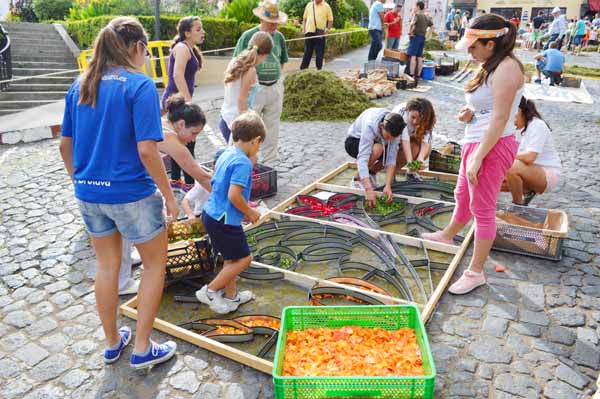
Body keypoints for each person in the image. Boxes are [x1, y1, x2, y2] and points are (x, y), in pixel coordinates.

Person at [59, 17, 178, 369]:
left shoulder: (80, 85)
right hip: (132, 194)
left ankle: (113, 343)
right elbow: (147, 151)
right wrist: (169, 195)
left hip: (89, 193)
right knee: (156, 264)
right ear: (138, 47)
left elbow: (65, 147)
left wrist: (80, 181)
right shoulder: (139, 86)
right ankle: (142, 347)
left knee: (107, 266)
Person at [422, 14, 523, 295]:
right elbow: (490, 108)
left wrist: (479, 157)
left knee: (483, 209)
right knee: (462, 194)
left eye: (473, 46)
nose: (470, 52)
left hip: (491, 146)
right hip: (476, 140)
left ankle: (476, 271)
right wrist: (472, 114)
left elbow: (502, 118)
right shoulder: (490, 65)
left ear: (491, 43)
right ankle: (449, 235)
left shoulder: (507, 68)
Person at [118, 94, 213, 296]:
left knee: (127, 220)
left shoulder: (162, 122)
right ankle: (122, 282)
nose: (194, 139)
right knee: (129, 219)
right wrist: (228, 196)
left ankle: (129, 257)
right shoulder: (172, 140)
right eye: (194, 133)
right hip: (122, 175)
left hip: (126, 170)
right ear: (180, 124)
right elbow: (200, 175)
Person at [195, 111, 266, 314]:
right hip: (224, 220)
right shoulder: (243, 162)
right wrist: (250, 212)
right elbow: (234, 195)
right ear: (256, 140)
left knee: (231, 258)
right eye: (259, 144)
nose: (258, 149)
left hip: (212, 214)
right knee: (244, 259)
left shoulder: (227, 152)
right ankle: (210, 291)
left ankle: (231, 296)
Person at [234, 1, 288, 165]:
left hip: (274, 86)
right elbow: (238, 61)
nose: (274, 26)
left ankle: (270, 162)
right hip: (255, 88)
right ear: (262, 20)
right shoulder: (248, 36)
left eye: (276, 23)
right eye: (271, 23)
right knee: (250, 127)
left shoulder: (279, 37)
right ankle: (244, 160)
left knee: (273, 126)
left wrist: (278, 79)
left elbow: (283, 60)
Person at [162, 16, 205, 190]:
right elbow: (177, 76)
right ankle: (189, 184)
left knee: (181, 140)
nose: (202, 32)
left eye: (202, 29)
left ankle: (177, 181)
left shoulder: (188, 48)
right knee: (187, 141)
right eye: (198, 29)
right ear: (187, 33)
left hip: (179, 99)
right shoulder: (182, 48)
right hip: (176, 100)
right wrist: (188, 102)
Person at [501, 97, 561, 205]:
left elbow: (529, 157)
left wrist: (506, 154)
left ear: (518, 111)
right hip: (527, 169)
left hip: (547, 173)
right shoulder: (515, 128)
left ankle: (518, 205)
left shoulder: (537, 125)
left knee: (510, 165)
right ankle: (527, 191)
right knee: (493, 181)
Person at [344, 108, 406, 206]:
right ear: (381, 126)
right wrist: (368, 190)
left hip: (376, 142)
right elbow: (362, 159)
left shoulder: (396, 128)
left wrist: (388, 186)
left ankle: (370, 174)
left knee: (394, 151)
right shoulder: (370, 125)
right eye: (389, 137)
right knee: (378, 148)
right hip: (354, 141)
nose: (391, 140)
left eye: (393, 138)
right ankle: (358, 179)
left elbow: (391, 158)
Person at [220, 31, 273, 143]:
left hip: (226, 117)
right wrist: (248, 125)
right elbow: (242, 100)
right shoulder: (251, 70)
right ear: (265, 55)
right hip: (236, 124)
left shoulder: (235, 61)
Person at [392, 98, 436, 168]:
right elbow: (405, 139)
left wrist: (420, 159)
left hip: (409, 138)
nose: (415, 122)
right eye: (413, 117)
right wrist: (410, 161)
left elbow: (426, 140)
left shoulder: (428, 119)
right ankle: (393, 170)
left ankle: (411, 172)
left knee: (428, 148)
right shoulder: (401, 113)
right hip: (394, 141)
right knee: (414, 150)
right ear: (408, 111)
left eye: (419, 119)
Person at [300, 0, 334, 70]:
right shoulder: (309, 5)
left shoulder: (326, 6)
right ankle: (303, 69)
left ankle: (319, 70)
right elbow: (304, 19)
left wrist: (327, 29)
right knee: (307, 52)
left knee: (319, 53)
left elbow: (330, 20)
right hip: (309, 32)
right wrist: (304, 29)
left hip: (320, 33)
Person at [407, 1, 433, 81]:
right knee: (420, 57)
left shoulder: (417, 15)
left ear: (418, 6)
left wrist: (410, 33)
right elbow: (432, 25)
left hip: (415, 37)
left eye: (415, 6)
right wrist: (427, 34)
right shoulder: (426, 16)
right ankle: (418, 75)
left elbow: (412, 24)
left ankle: (411, 75)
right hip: (422, 37)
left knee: (413, 56)